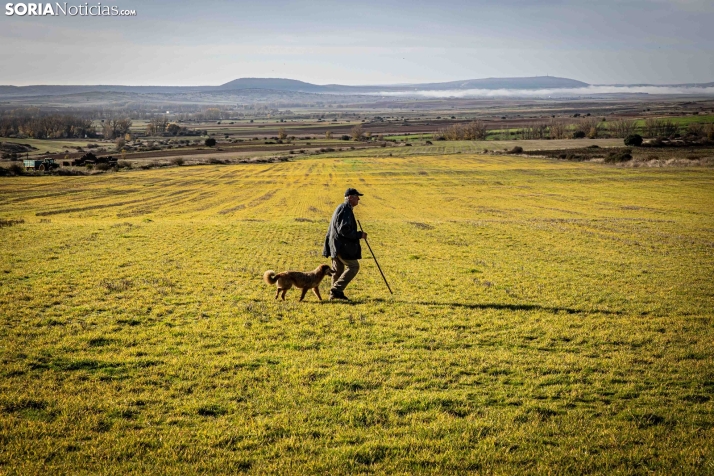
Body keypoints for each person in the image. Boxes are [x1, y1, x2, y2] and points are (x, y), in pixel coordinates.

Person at [323, 188, 367, 300]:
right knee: (353, 266)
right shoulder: (346, 209)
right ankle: (336, 289)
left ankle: (333, 296)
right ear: (350, 197)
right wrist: (359, 235)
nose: (358, 198)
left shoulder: (341, 208)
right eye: (357, 196)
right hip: (341, 245)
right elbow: (344, 230)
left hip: (334, 244)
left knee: (338, 270)